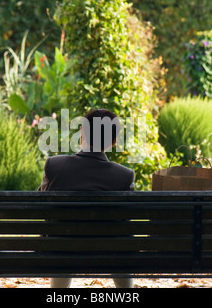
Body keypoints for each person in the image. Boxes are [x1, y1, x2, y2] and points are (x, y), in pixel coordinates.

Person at [37, 108, 135, 288]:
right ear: (113, 142)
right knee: (121, 244)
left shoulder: (54, 166)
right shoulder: (125, 176)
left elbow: (40, 205)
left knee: (62, 242)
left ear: (82, 132)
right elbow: (126, 222)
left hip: (61, 248)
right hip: (110, 252)